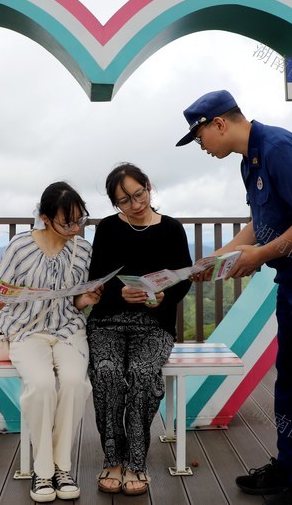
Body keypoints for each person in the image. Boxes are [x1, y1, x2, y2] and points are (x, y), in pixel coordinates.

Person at [176, 90, 292, 505]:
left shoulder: (278, 148)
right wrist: (215, 259)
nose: (201, 147)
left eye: (200, 137)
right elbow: (263, 223)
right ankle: (289, 464)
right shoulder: (250, 161)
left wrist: (257, 257)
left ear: (219, 124)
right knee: (291, 376)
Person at [0, 181, 102, 503]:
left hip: (68, 329)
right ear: (46, 218)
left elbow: (76, 302)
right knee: (41, 384)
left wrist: (86, 299)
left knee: (76, 382)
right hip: (25, 330)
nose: (76, 227)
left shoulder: (83, 250)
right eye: (68, 221)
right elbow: (2, 293)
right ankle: (43, 469)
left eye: (81, 219)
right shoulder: (20, 247)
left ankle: (62, 467)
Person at [86, 163, 193, 496]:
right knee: (106, 373)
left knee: (144, 374)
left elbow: (183, 279)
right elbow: (98, 277)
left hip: (153, 323)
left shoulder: (172, 229)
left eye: (139, 194)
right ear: (114, 203)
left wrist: (162, 295)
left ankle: (135, 463)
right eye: (124, 200)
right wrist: (119, 292)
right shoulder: (107, 229)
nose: (135, 204)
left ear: (148, 186)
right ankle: (112, 459)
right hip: (107, 322)